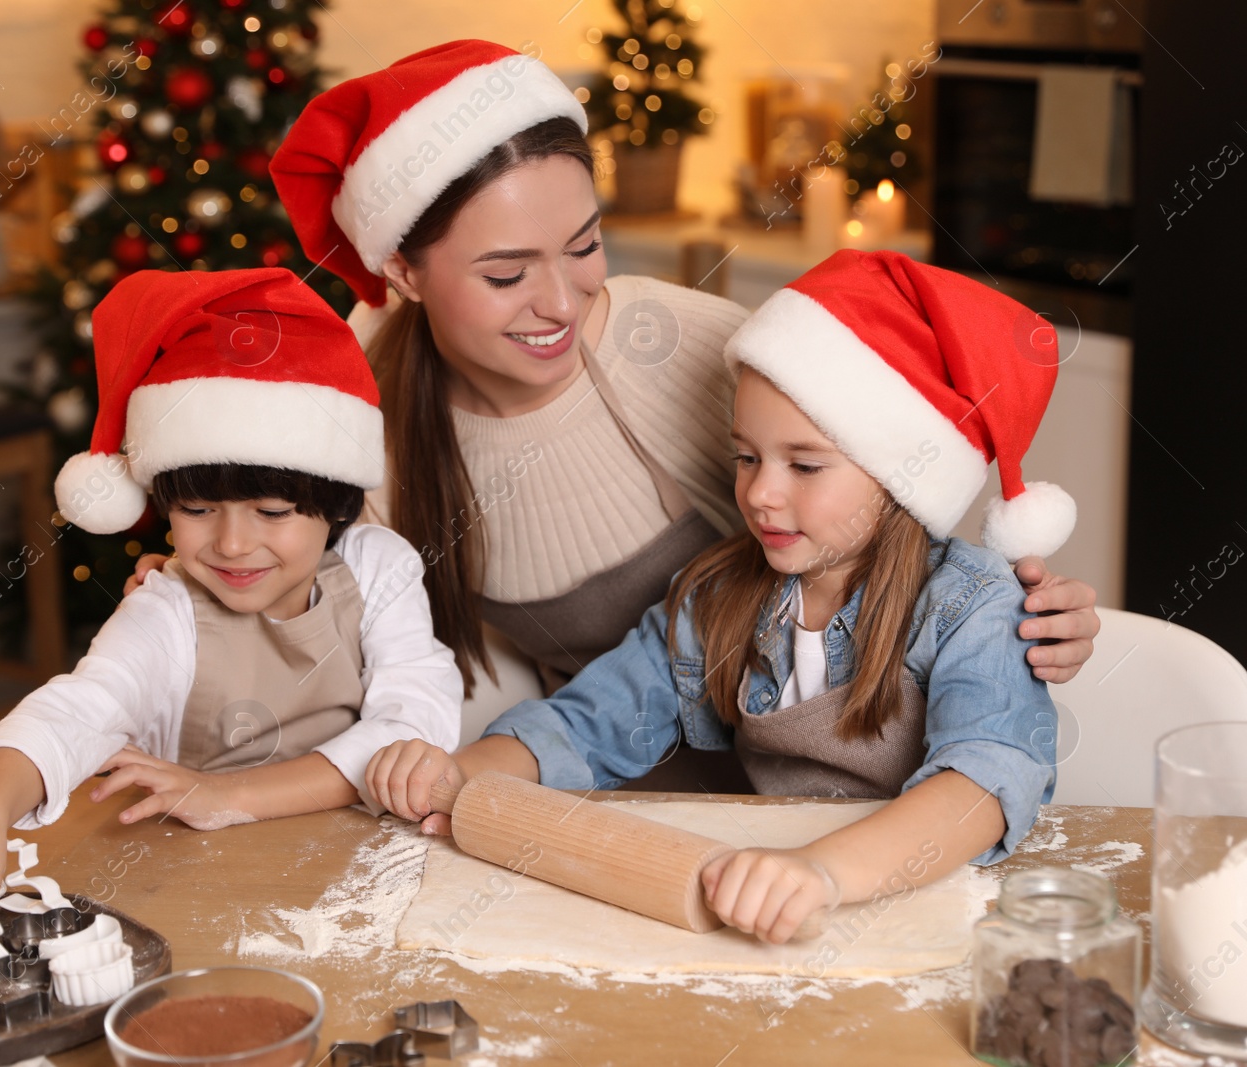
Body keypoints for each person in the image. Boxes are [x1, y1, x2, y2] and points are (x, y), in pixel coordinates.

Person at [129, 40, 1097, 743]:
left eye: (584, 244)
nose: (559, 300)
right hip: (586, 761)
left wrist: (1028, 616)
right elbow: (306, 595)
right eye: (506, 274)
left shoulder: (671, 344)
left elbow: (892, 484)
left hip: (790, 773)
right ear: (407, 273)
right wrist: (194, 600)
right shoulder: (355, 408)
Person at [367, 251, 1072, 945]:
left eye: (804, 464)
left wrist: (821, 873)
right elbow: (590, 723)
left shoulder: (970, 607)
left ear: (900, 477)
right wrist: (458, 774)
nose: (760, 493)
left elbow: (980, 784)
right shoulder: (718, 598)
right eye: (747, 456)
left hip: (939, 913)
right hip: (781, 909)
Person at [0, 269, 460, 956]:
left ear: (336, 502)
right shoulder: (167, 610)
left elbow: (412, 725)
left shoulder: (377, 569)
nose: (232, 543)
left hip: (358, 892)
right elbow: (75, 711)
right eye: (195, 509)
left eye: (272, 512)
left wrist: (228, 794)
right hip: (194, 902)